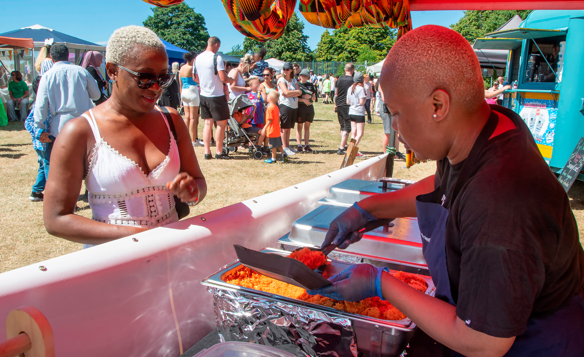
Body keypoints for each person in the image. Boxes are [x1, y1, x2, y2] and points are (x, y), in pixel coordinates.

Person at [308, 25, 584, 357]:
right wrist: (371, 208)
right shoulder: (484, 125)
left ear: (438, 105)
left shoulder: (500, 203)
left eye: (396, 114)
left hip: (536, 342)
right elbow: (444, 185)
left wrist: (379, 283)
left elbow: (483, 342)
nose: (394, 128)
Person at [42, 25, 207, 247]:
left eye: (164, 78)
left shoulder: (172, 120)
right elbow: (56, 219)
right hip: (112, 260)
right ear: (112, 71)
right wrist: (138, 236)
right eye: (145, 77)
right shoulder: (81, 131)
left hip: (171, 255)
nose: (156, 88)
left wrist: (193, 192)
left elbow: (198, 183)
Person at [34, 43, 100, 143]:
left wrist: (39, 127)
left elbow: (41, 104)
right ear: (68, 55)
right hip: (84, 122)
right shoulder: (82, 71)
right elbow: (96, 95)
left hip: (60, 126)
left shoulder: (47, 76)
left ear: (51, 58)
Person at [194, 36, 235, 160]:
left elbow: (195, 78)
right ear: (216, 44)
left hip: (203, 95)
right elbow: (223, 78)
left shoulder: (197, 58)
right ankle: (219, 151)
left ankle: (207, 152)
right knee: (221, 124)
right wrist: (231, 80)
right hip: (216, 95)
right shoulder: (216, 58)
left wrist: (204, 82)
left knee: (207, 123)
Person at [25, 76, 51, 201]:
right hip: (42, 143)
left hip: (42, 143)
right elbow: (28, 122)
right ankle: (52, 194)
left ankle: (36, 191)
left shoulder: (47, 101)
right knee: (48, 166)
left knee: (43, 165)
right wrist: (38, 134)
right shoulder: (39, 104)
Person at [277, 62, 302, 156]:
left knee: (289, 128)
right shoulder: (281, 80)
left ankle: (287, 145)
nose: (285, 71)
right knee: (284, 128)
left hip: (294, 106)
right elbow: (285, 92)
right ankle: (284, 147)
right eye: (284, 69)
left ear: (291, 70)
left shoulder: (293, 80)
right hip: (285, 105)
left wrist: (292, 92)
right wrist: (294, 92)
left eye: (287, 69)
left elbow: (299, 92)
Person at [178, 51, 201, 146]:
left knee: (186, 117)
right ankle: (194, 140)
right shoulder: (192, 68)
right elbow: (197, 80)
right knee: (193, 118)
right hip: (192, 91)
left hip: (184, 91)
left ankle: (185, 139)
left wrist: (181, 97)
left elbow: (180, 84)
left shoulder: (182, 68)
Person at [335, 63, 354, 155]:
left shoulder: (339, 79)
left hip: (339, 104)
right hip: (347, 105)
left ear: (344, 69)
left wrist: (335, 104)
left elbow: (336, 93)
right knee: (347, 127)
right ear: (353, 70)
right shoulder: (353, 80)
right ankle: (341, 147)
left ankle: (345, 145)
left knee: (342, 126)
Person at [262, 91, 287, 163]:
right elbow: (278, 117)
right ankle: (284, 154)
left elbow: (270, 119)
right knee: (279, 144)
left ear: (270, 98)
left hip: (271, 130)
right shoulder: (276, 107)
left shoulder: (270, 108)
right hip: (276, 129)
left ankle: (273, 159)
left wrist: (265, 127)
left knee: (273, 146)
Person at [347, 72, 366, 157]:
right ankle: (353, 150)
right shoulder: (361, 89)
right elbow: (362, 102)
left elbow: (348, 102)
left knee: (353, 133)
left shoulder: (350, 88)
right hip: (359, 112)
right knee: (360, 133)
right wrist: (365, 100)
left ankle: (350, 148)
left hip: (351, 111)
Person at [296, 68, 315, 153]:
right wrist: (303, 100)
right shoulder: (297, 85)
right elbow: (295, 98)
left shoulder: (311, 85)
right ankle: (299, 145)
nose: (304, 77)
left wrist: (310, 97)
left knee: (307, 127)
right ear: (300, 76)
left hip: (309, 108)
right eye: (302, 75)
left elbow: (314, 97)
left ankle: (306, 145)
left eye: (306, 76)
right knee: (299, 127)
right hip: (300, 108)